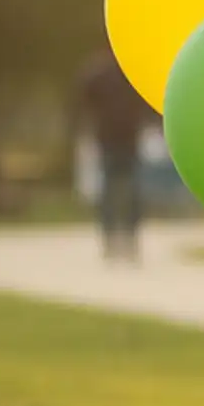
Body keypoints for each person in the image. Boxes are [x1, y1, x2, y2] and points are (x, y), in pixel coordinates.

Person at [77, 50, 150, 262]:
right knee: (122, 190)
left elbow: (83, 101)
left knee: (119, 191)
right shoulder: (125, 73)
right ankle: (122, 238)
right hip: (119, 139)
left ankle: (120, 238)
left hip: (117, 139)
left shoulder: (100, 72)